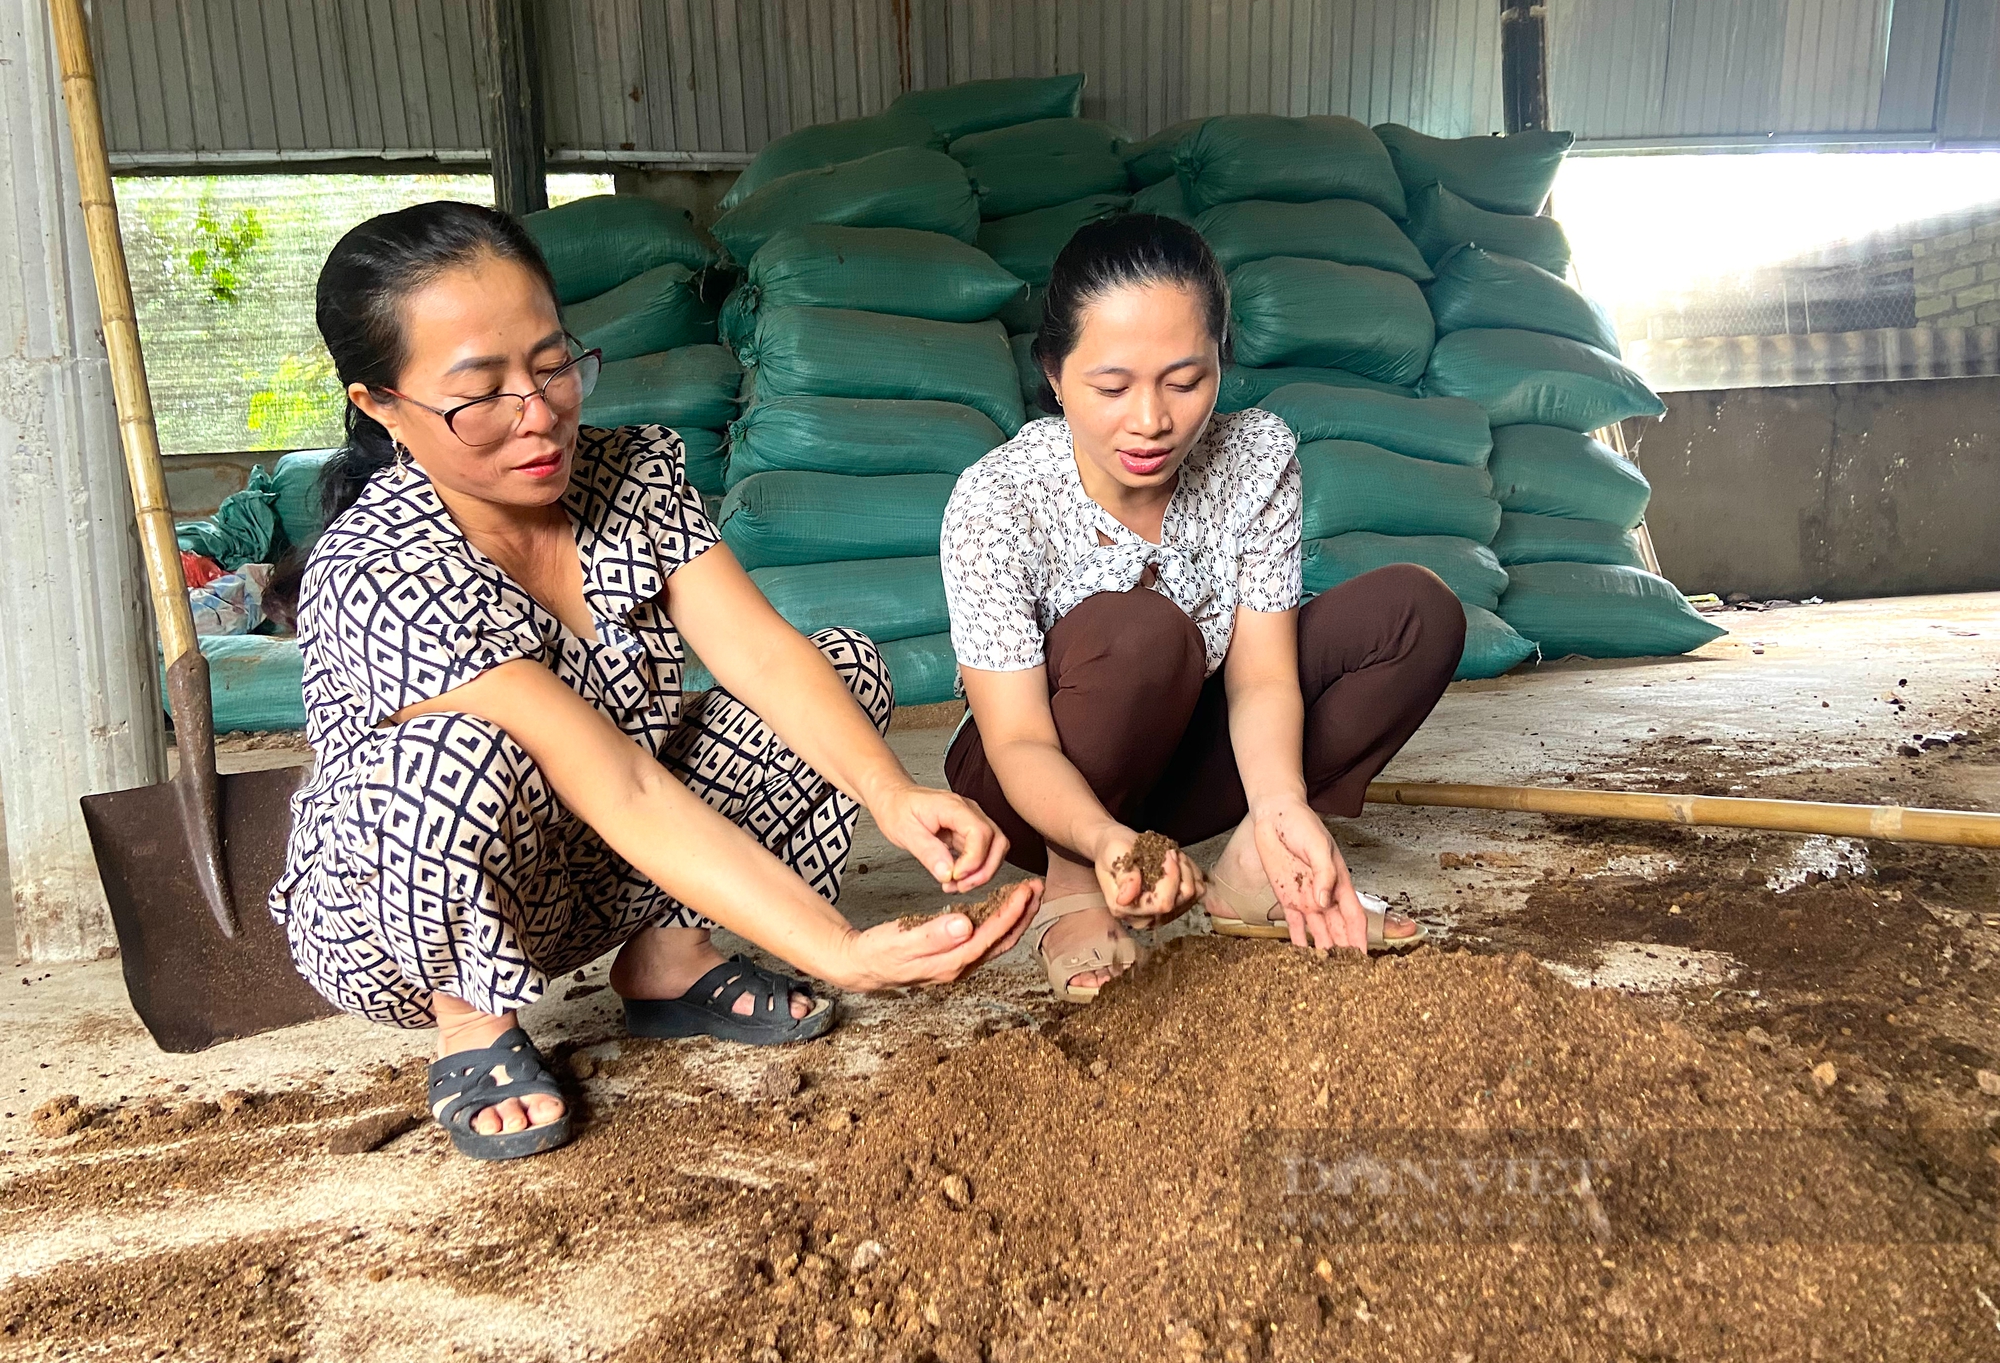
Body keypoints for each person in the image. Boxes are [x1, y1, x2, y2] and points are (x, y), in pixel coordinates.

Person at [270, 202, 1037, 1162]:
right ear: (381, 404)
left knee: (839, 664)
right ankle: (469, 1024)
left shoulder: (624, 473)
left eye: (552, 364)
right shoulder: (382, 567)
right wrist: (833, 947)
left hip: (590, 865)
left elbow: (759, 653)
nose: (538, 414)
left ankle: (669, 961)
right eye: (480, 393)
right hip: (412, 912)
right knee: (452, 757)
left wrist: (894, 792)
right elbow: (622, 786)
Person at [939, 213, 1464, 1003]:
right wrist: (1103, 842)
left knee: (1414, 614)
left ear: (1222, 359)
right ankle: (1073, 889)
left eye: (1185, 381)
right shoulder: (997, 502)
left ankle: (1257, 866)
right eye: (1111, 387)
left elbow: (1260, 678)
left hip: (1182, 759)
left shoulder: (1256, 459)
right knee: (1141, 630)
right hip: (1028, 789)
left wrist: (1282, 805)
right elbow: (1015, 739)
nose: (1151, 421)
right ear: (1052, 372)